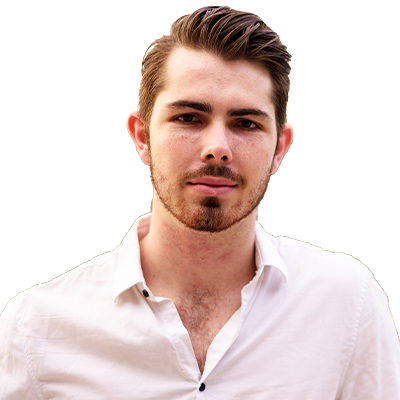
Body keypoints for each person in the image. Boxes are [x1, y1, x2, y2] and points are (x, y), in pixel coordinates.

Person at [1, 6, 399, 399]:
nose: (217, 148)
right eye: (189, 118)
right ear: (142, 137)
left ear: (280, 149)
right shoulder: (35, 330)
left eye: (246, 123)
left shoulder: (348, 303)